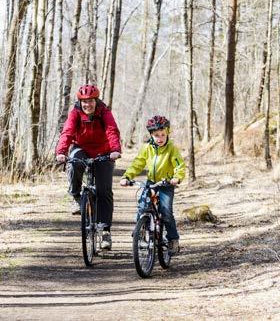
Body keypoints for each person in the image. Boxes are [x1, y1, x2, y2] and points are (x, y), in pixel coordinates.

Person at [56, 84, 121, 250]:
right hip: (82, 148)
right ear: (80, 102)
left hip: (104, 151)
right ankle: (76, 197)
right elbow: (68, 132)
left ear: (96, 100)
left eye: (90, 101)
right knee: (74, 162)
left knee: (104, 190)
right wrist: (61, 151)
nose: (87, 105)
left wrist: (115, 150)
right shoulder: (75, 113)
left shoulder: (104, 112)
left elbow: (112, 130)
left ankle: (105, 230)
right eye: (84, 102)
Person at [120, 115, 185, 255]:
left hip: (166, 184)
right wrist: (127, 176)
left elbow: (179, 165)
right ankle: (140, 233)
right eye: (156, 135)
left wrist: (177, 178)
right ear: (151, 135)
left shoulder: (171, 149)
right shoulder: (147, 148)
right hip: (151, 183)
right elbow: (138, 164)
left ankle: (173, 239)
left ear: (167, 133)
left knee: (166, 211)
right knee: (142, 205)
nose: (160, 138)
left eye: (163, 134)